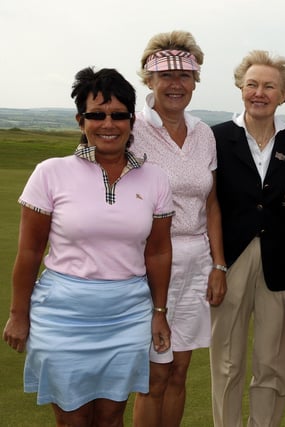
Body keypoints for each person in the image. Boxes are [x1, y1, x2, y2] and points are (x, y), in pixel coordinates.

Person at [2, 67, 174, 426]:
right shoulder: (50, 172)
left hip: (127, 314)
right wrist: (19, 315)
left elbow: (157, 252)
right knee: (72, 420)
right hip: (63, 315)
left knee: (112, 418)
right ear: (81, 120)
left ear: (131, 121)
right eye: (96, 114)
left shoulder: (155, 178)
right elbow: (30, 252)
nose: (107, 124)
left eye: (117, 115)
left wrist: (159, 312)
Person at [129, 30, 227, 427]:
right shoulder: (131, 129)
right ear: (148, 79)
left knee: (179, 371)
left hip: (196, 260)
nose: (175, 84)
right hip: (148, 263)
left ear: (195, 81)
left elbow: (212, 203)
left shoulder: (204, 133)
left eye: (184, 75)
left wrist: (219, 265)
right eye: (165, 75)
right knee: (154, 376)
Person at [209, 50, 285, 427]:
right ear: (240, 88)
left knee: (272, 363)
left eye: (268, 86)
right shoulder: (215, 138)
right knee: (227, 363)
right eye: (252, 85)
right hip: (229, 262)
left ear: (284, 94)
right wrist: (216, 264)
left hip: (279, 265)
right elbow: (209, 202)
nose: (258, 93)